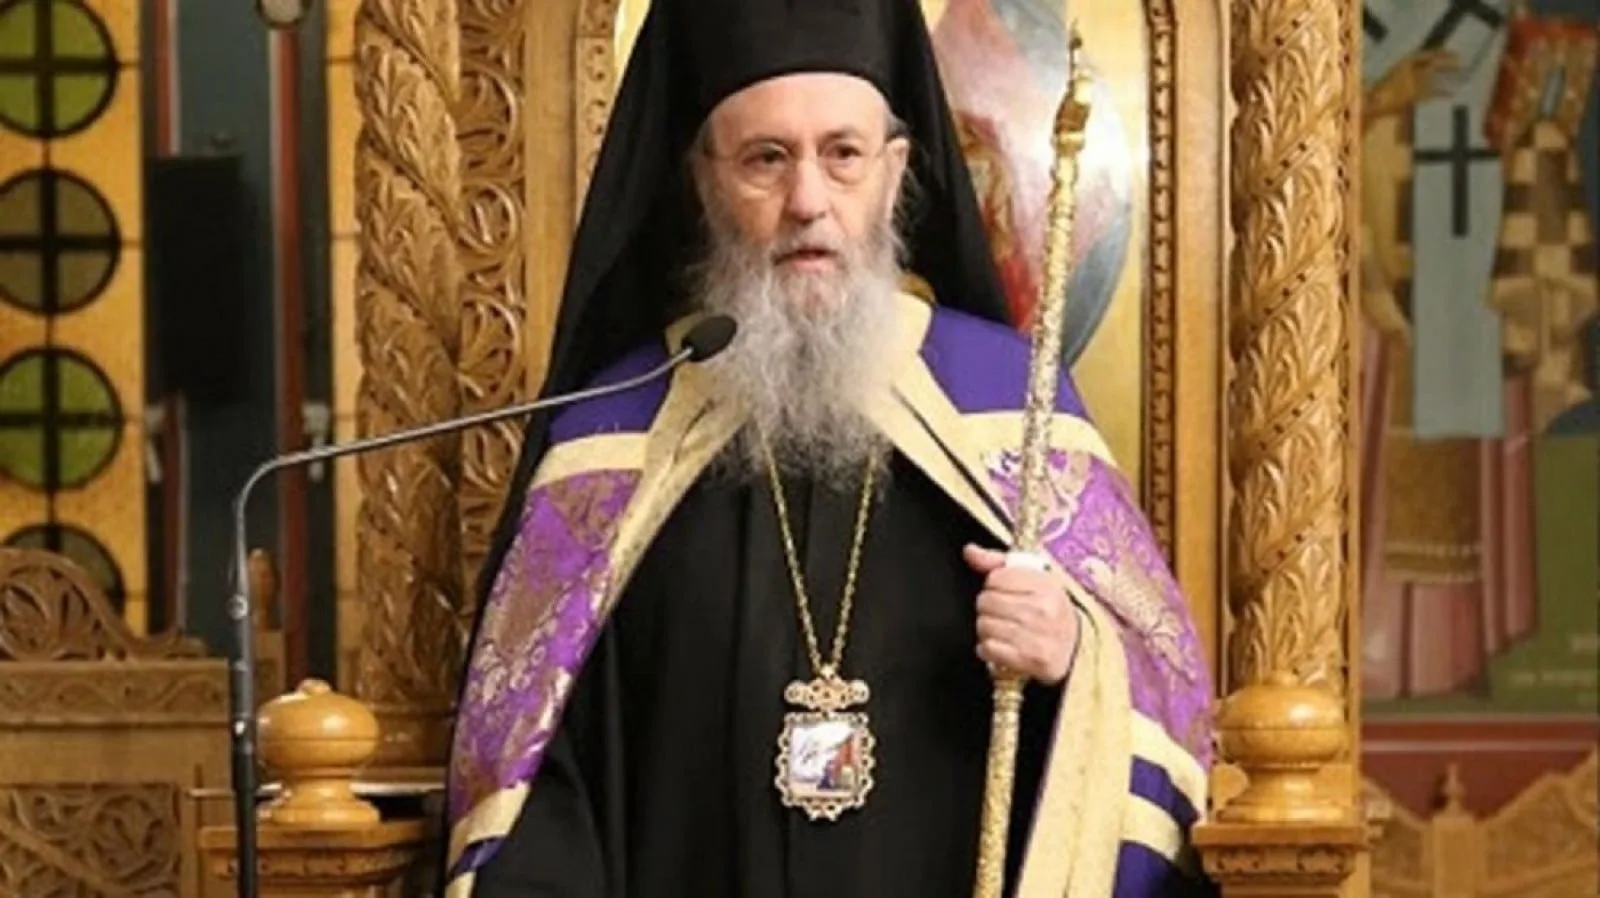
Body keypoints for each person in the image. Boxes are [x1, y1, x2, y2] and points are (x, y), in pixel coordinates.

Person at [443, 0, 1214, 896]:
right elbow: (534, 783)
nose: (808, 201)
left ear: (895, 171)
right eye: (765, 159)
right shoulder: (613, 438)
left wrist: (1074, 655)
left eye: (842, 154)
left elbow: (1165, 701)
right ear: (703, 180)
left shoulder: (1011, 405)